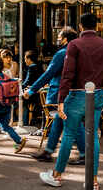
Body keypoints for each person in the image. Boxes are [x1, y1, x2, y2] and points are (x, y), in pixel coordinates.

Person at [41, 13, 103, 190]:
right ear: (96, 26)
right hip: (97, 93)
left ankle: (57, 175)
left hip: (76, 95)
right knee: (93, 136)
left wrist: (61, 99)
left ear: (80, 27)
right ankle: (93, 180)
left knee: (68, 134)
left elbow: (68, 75)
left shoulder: (74, 45)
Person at [27, 28, 82, 164]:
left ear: (64, 39)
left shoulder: (62, 53)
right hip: (76, 91)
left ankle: (85, 154)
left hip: (62, 92)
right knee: (59, 119)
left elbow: (49, 73)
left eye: (59, 37)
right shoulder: (79, 52)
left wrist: (32, 90)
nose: (57, 39)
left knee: (74, 122)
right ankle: (48, 151)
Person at [20, 50, 45, 125]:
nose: (25, 61)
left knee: (21, 100)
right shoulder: (39, 67)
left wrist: (19, 86)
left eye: (25, 59)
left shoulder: (31, 68)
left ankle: (25, 122)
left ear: (29, 59)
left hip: (32, 94)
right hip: (39, 93)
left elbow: (27, 82)